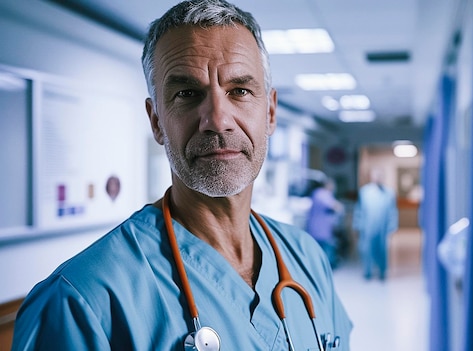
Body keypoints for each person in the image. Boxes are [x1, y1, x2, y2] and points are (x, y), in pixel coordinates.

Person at [11, 1, 352, 350]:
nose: (218, 119)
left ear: (270, 112)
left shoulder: (305, 258)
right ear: (156, 120)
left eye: (240, 91)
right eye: (187, 94)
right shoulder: (83, 302)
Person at [352, 168, 398, 280]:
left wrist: (392, 226)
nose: (378, 178)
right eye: (375, 175)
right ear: (371, 177)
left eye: (380, 175)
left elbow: (393, 211)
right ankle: (367, 271)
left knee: (382, 250)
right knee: (367, 249)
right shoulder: (364, 192)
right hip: (367, 226)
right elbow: (359, 210)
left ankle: (382, 271)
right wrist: (357, 225)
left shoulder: (389, 193)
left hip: (382, 227)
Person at [305, 177, 344, 268]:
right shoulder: (321, 194)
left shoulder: (318, 194)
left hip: (318, 229)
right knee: (325, 251)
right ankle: (324, 269)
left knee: (317, 250)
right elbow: (336, 207)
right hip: (321, 230)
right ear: (328, 185)